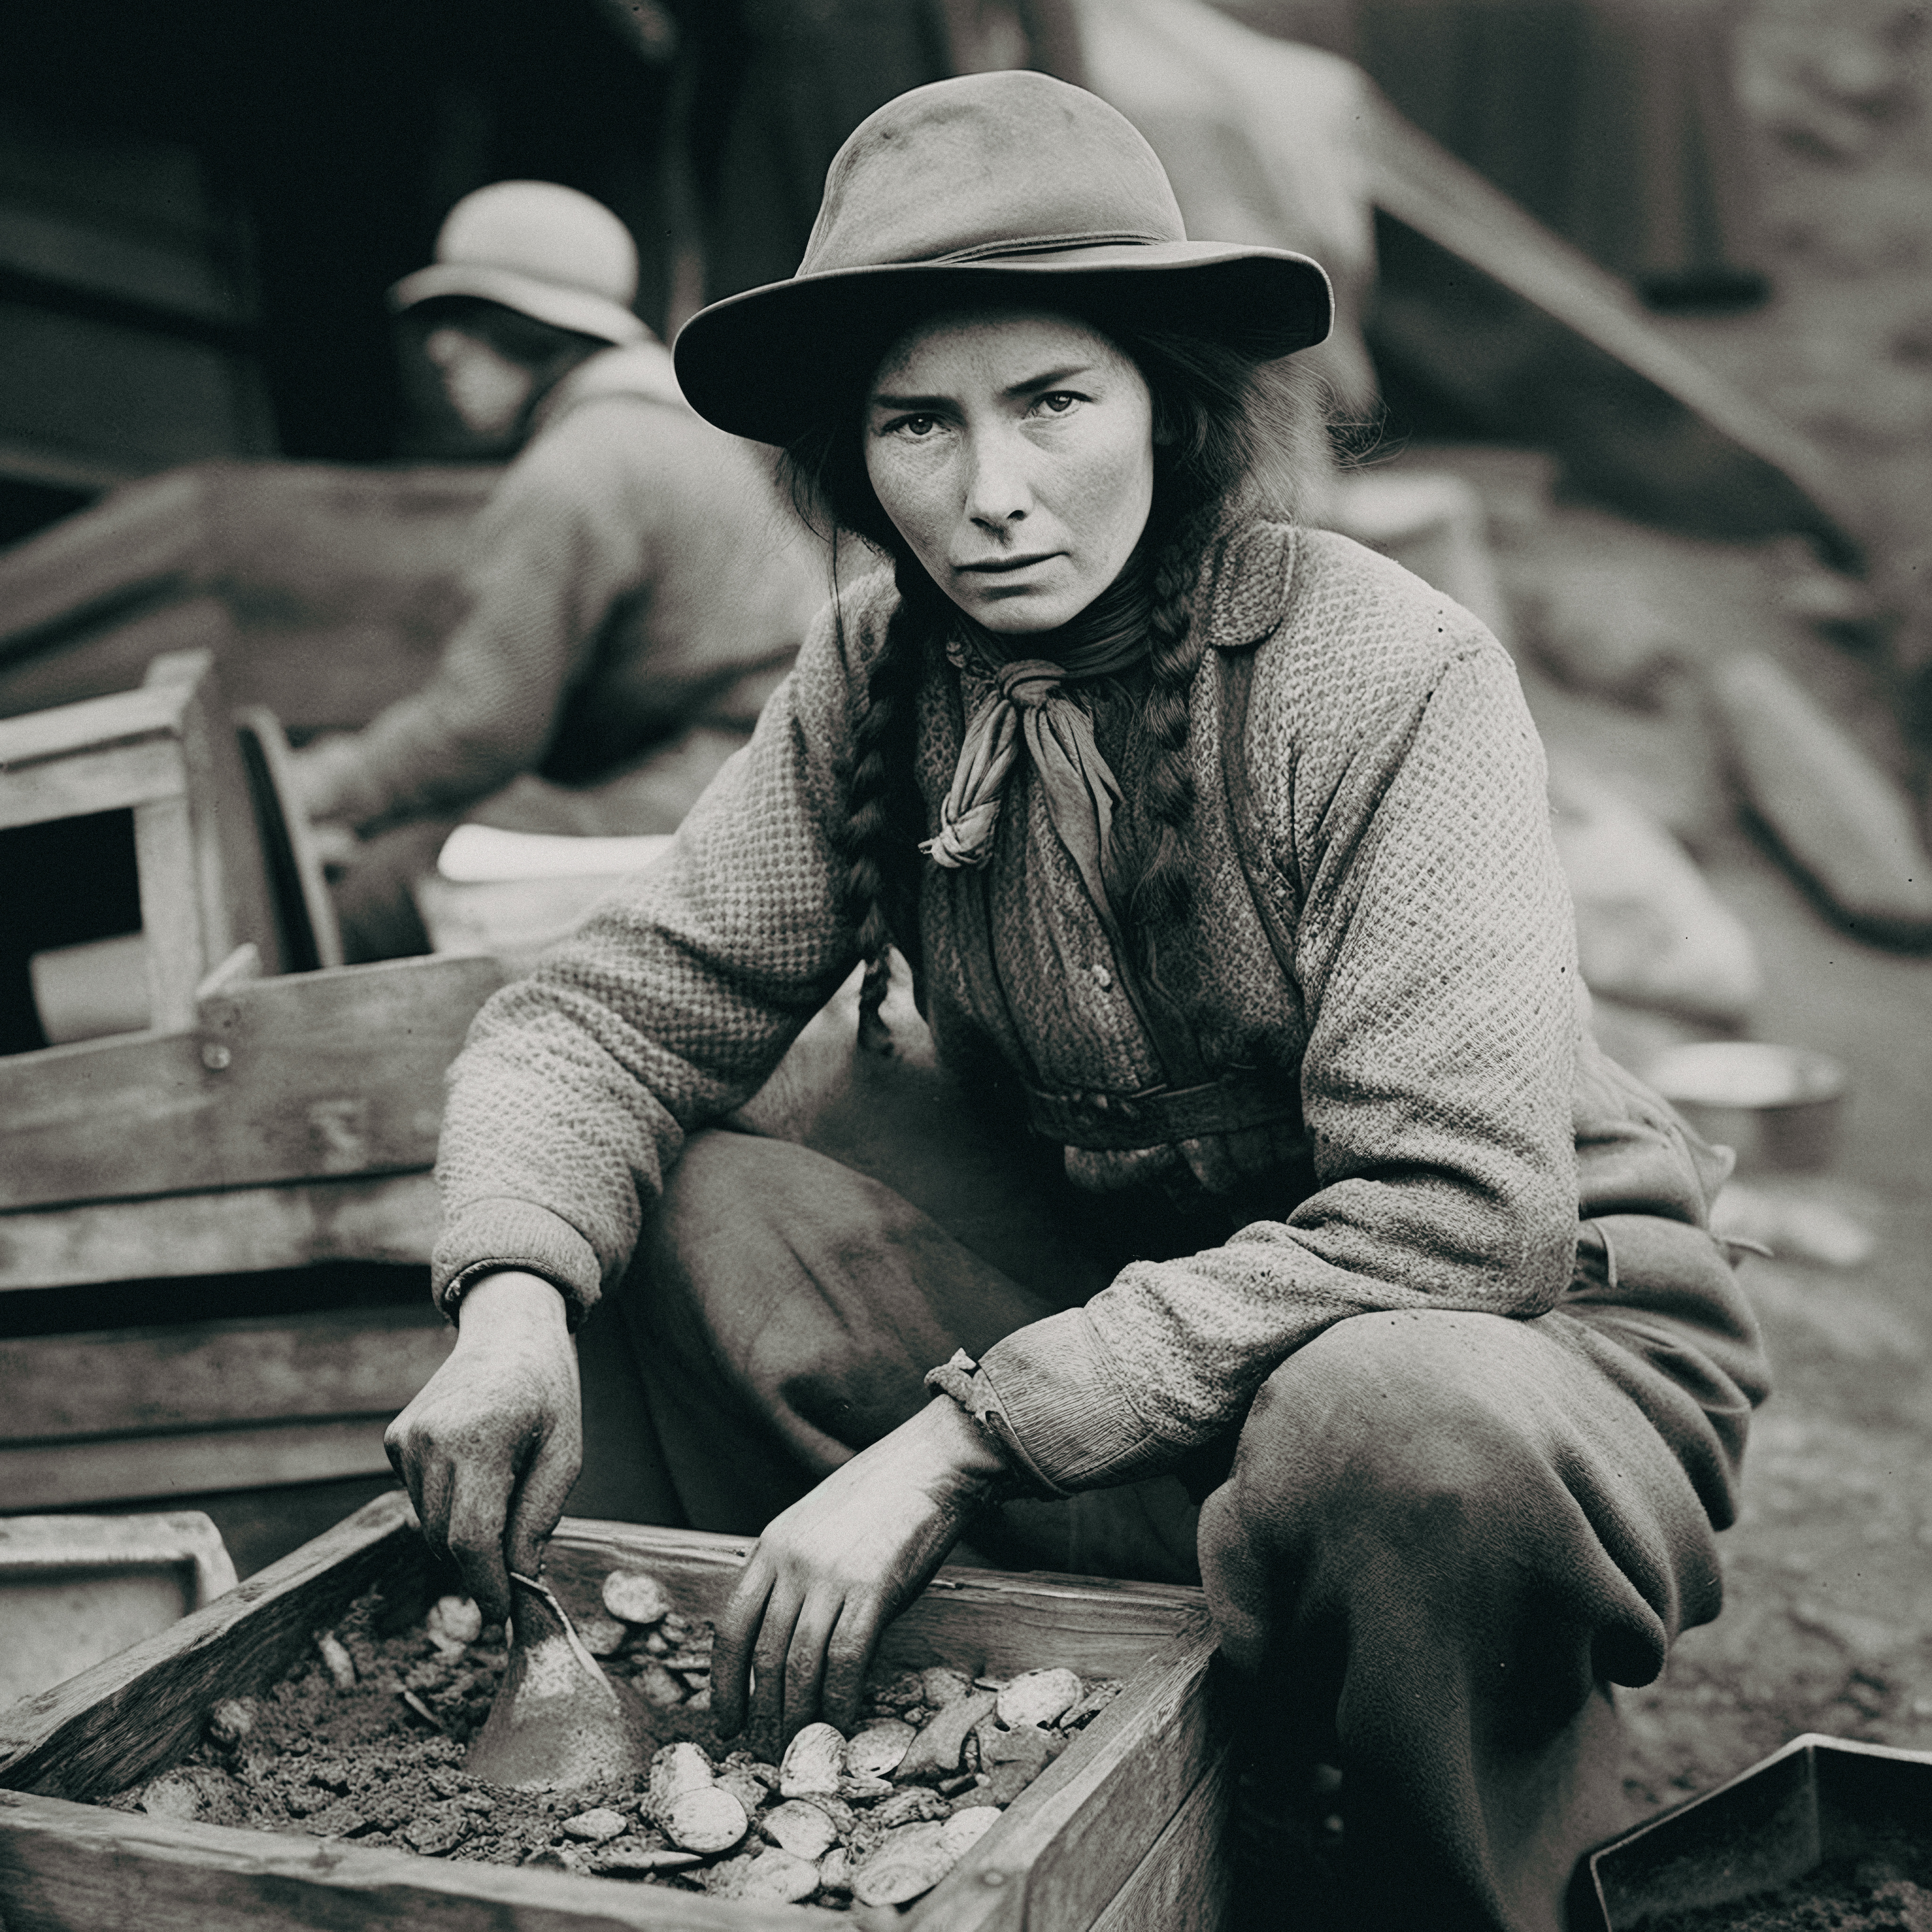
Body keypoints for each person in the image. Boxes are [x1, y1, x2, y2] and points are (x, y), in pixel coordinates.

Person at [384, 76, 1768, 1931]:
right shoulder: (879, 669)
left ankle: (1433, 1840)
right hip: (1143, 1363)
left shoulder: (1382, 666)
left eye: (1051, 399)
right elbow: (607, 1014)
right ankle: (904, 1763)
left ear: (1170, 404)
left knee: (1385, 1423)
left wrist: (964, 1433)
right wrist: (507, 1301)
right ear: (849, 457)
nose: (994, 492)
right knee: (684, 1205)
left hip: (1513, 1357)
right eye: (917, 424)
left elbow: (1459, 1222)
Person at [291, 179, 825, 960]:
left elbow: (483, 728)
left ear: (534, 333)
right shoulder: (695, 429)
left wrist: (320, 788)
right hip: (782, 755)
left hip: (727, 776)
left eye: (468, 324)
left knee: (387, 885)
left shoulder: (574, 469)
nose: (442, 352)